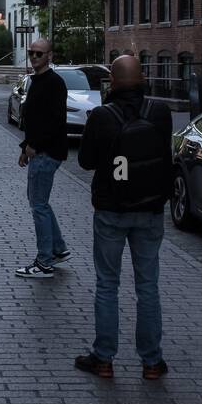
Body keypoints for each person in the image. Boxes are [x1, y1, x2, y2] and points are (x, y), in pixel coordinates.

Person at [74, 53, 173, 380]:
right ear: (143, 78)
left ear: (112, 82)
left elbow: (86, 162)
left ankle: (103, 358)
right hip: (149, 211)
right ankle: (151, 362)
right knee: (148, 286)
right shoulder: (159, 112)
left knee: (107, 284)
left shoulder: (102, 116)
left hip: (111, 211)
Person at [15, 39, 70, 279]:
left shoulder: (53, 83)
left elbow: (54, 121)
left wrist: (34, 146)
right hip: (39, 150)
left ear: (49, 55)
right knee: (40, 202)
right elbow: (34, 120)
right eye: (31, 52)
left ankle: (44, 262)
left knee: (38, 205)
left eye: (39, 53)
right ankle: (57, 250)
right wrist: (25, 147)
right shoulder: (37, 81)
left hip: (47, 152)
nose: (34, 56)